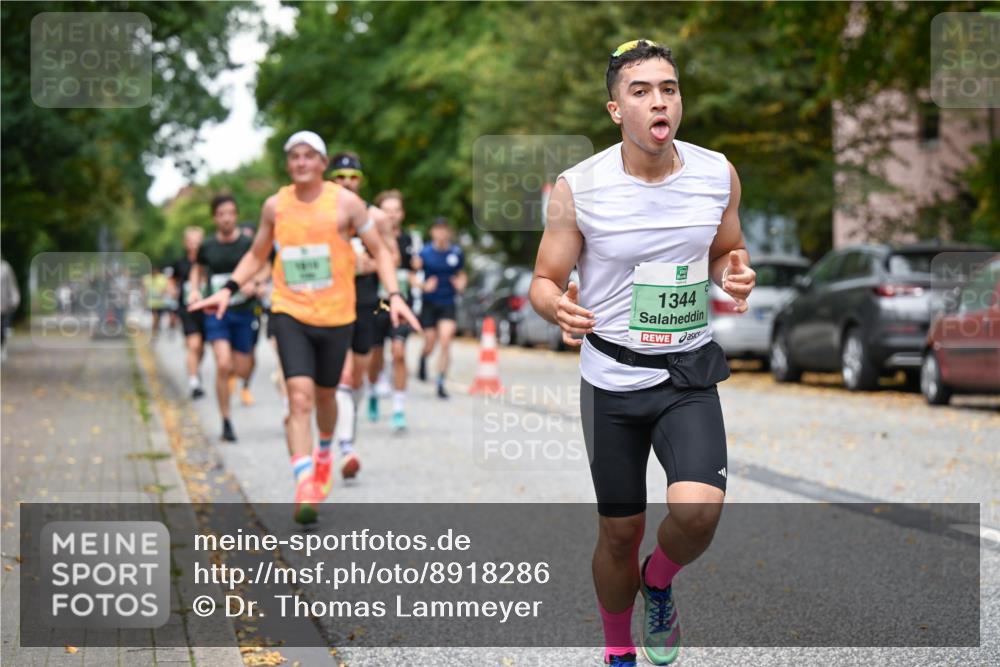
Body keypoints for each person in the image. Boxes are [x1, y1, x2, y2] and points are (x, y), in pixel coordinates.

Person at [528, 40, 756, 667]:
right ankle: (617, 648)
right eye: (641, 90)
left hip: (687, 372)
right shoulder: (581, 187)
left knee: (698, 514)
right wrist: (558, 308)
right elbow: (543, 281)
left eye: (669, 88)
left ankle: (659, 581)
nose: (660, 100)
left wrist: (732, 274)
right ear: (615, 109)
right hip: (612, 379)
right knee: (619, 531)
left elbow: (726, 250)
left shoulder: (717, 173)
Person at [189, 131, 419, 525]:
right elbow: (257, 253)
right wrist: (228, 289)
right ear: (288, 163)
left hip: (336, 315)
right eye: (294, 156)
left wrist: (394, 295)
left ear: (322, 163)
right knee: (299, 397)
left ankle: (326, 452)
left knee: (327, 396)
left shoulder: (346, 204)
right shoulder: (274, 206)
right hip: (289, 311)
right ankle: (304, 482)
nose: (300, 162)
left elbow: (380, 251)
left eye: (309, 156)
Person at [328, 153, 398, 479]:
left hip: (366, 301)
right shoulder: (325, 215)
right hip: (331, 303)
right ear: (332, 179)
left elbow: (391, 257)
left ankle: (346, 423)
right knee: (341, 376)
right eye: (340, 176)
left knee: (357, 375)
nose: (346, 182)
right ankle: (344, 448)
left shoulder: (376, 217)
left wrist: (367, 265)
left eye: (352, 176)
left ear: (360, 180)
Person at [189, 195, 268, 442]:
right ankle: (226, 420)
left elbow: (264, 264)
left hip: (244, 311)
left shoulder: (248, 243)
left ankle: (239, 385)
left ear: (235, 215)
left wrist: (256, 282)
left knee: (240, 367)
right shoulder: (208, 246)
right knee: (223, 364)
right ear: (215, 217)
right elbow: (197, 270)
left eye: (230, 213)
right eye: (221, 213)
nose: (226, 218)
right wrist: (193, 289)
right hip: (217, 312)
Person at [367, 190, 419, 431]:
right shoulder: (370, 237)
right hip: (377, 303)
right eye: (386, 211)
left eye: (395, 211)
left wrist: (414, 273)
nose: (391, 216)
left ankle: (398, 409)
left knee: (399, 353)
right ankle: (373, 392)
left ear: (402, 214)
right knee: (375, 356)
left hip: (402, 304)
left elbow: (415, 270)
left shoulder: (410, 241)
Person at [417, 217, 466, 399]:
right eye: (438, 229)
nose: (441, 233)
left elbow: (462, 275)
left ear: (449, 232)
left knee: (446, 341)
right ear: (432, 232)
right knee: (430, 342)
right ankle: (423, 358)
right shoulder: (425, 253)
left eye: (444, 229)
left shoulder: (456, 253)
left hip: (448, 302)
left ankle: (440, 382)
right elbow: (413, 276)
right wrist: (423, 286)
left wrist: (460, 284)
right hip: (429, 302)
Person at [172, 226, 207, 399]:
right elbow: (172, 281)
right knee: (194, 344)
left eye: (198, 242)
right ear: (186, 244)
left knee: (201, 348)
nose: (195, 245)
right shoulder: (180, 263)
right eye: (191, 242)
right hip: (187, 309)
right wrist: (172, 291)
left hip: (207, 309)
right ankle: (194, 383)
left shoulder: (208, 262)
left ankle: (195, 370)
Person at [142, 266, 170, 339]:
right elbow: (144, 290)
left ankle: (156, 329)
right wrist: (144, 301)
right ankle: (154, 332)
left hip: (160, 303)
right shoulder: (147, 278)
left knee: (158, 318)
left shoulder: (162, 278)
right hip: (151, 303)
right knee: (155, 316)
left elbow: (165, 289)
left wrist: (162, 293)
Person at [1, 257, 20, 362]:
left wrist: (15, 298)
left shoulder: (5, 267)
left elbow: (12, 284)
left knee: (2, 330)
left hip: (4, 305)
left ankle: (2, 349)